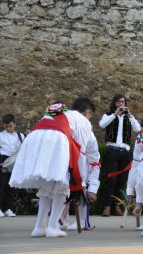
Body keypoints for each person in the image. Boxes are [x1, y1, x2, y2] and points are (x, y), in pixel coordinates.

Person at [9, 98, 95, 237]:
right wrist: (79, 179)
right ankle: (53, 226)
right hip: (56, 141)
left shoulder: (62, 113)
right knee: (63, 187)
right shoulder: (83, 121)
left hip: (36, 138)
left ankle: (39, 227)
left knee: (47, 187)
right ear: (87, 113)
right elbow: (81, 151)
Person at [99, 94, 141, 217]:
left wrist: (131, 115)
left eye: (123, 102)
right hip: (112, 150)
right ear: (114, 103)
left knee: (122, 181)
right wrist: (115, 114)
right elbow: (102, 124)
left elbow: (138, 129)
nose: (121, 104)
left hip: (125, 152)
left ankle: (117, 206)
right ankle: (107, 207)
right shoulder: (108, 115)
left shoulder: (129, 117)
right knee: (111, 180)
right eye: (118, 102)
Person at [59, 131, 100, 231]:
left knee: (81, 193)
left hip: (81, 170)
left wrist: (93, 189)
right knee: (62, 192)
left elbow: (95, 162)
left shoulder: (89, 134)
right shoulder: (64, 130)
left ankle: (82, 222)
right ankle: (62, 219)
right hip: (66, 167)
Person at [0, 114, 24, 217]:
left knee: (11, 186)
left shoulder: (20, 136)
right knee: (1, 185)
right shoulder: (1, 136)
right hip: (3, 160)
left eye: (10, 126)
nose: (8, 128)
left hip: (15, 161)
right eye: (6, 127)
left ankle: (8, 208)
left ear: (14, 124)